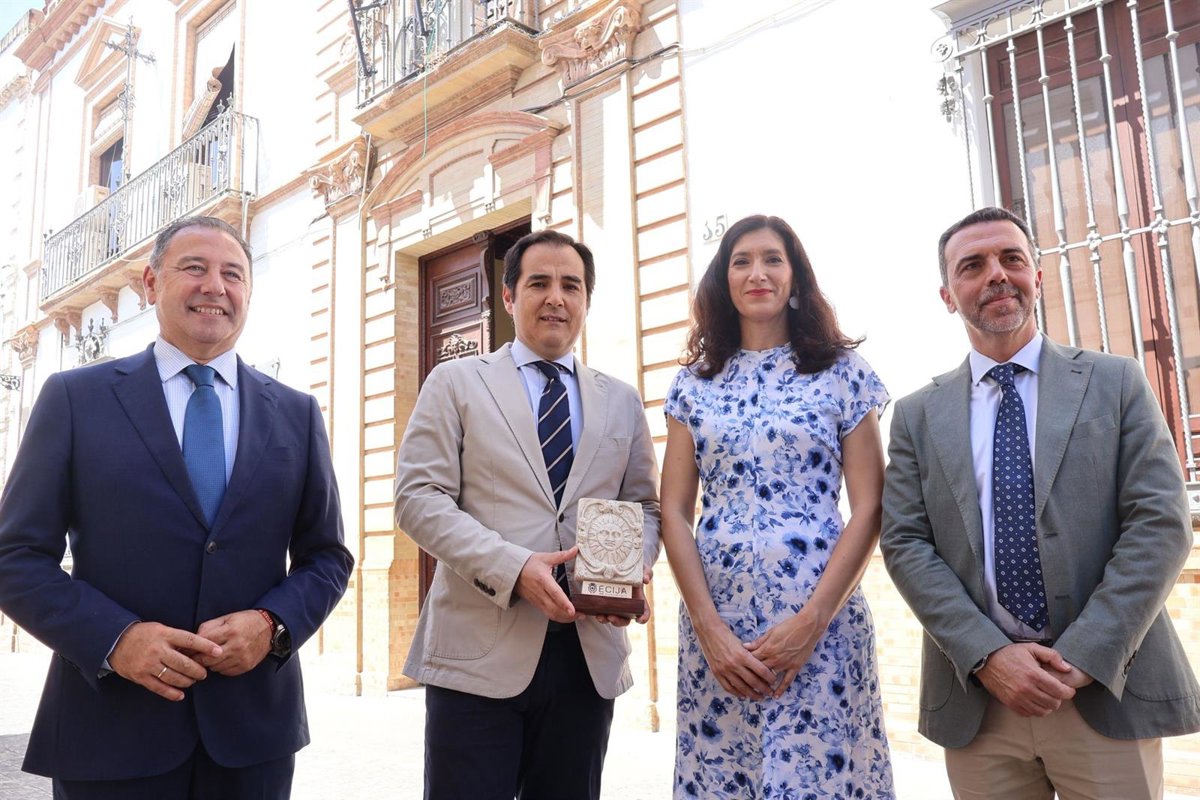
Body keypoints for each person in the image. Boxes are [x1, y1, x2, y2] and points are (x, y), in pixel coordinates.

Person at [0, 216, 354, 800]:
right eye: (194, 268)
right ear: (150, 283)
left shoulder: (296, 413)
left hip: (252, 740)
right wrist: (116, 640)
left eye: (233, 274)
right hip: (110, 732)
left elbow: (327, 556)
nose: (215, 286)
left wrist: (273, 626)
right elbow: (15, 557)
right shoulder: (75, 399)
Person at [880, 206, 1200, 799]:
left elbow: (1160, 524)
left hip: (1102, 690)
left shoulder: (1116, 382)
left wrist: (1086, 653)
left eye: (1012, 259)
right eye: (972, 266)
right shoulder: (917, 415)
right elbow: (905, 544)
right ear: (948, 296)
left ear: (1038, 276)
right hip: (980, 702)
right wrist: (988, 656)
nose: (997, 274)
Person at [393, 229, 661, 800]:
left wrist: (630, 569)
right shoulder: (456, 383)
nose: (556, 298)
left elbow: (645, 505)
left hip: (586, 658)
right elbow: (418, 498)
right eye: (539, 283)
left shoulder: (622, 400)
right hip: (477, 656)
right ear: (509, 296)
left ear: (586, 300)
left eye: (571, 285)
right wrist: (513, 568)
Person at [660, 214, 894, 798]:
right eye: (741, 261)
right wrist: (709, 629)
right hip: (720, 638)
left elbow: (870, 507)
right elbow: (673, 512)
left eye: (772, 259)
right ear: (724, 281)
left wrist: (812, 622)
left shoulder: (842, 374)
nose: (757, 273)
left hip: (821, 629)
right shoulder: (693, 385)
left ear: (795, 278)